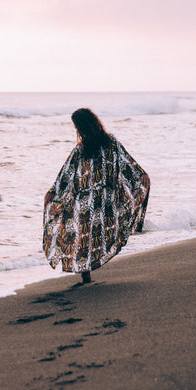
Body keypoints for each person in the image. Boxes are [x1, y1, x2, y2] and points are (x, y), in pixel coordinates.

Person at [43, 108, 150, 284]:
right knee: (84, 237)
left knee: (96, 234)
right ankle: (86, 275)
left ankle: (89, 271)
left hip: (106, 199)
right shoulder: (81, 149)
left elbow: (126, 161)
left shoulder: (111, 142)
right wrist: (53, 191)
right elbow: (67, 173)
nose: (77, 130)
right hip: (86, 201)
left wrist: (141, 174)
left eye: (77, 126)